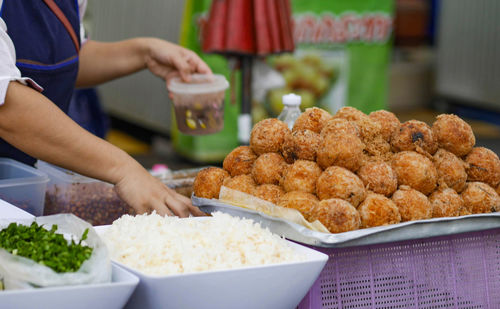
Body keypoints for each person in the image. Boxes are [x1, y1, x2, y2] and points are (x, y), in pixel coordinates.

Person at [0, 0, 207, 217]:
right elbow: (6, 102)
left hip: (21, 188)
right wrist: (124, 169)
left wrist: (145, 53)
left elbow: (59, 60)